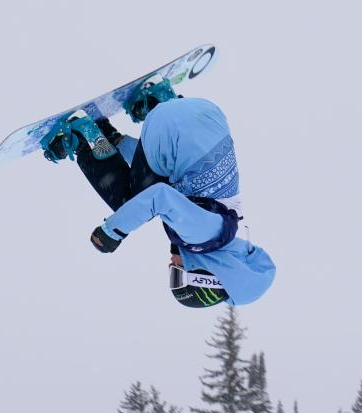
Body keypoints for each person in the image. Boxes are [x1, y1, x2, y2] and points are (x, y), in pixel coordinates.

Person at [41, 76, 276, 308]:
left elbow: (158, 175)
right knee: (130, 205)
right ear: (206, 273)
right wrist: (113, 232)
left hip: (200, 114)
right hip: (171, 129)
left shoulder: (224, 221)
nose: (170, 265)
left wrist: (119, 143)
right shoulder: (204, 237)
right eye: (177, 275)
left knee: (151, 189)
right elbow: (158, 196)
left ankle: (155, 100)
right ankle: (82, 136)